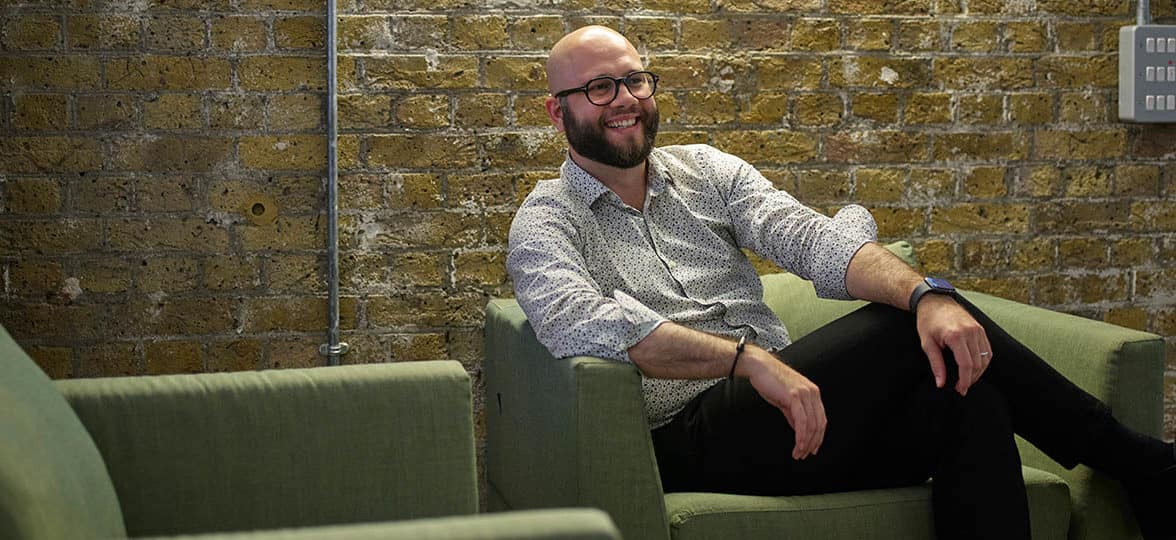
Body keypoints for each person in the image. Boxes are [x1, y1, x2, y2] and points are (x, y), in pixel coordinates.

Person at [506, 25, 1175, 540]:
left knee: (964, 395)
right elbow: (587, 325)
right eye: (599, 88)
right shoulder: (545, 222)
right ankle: (1141, 461)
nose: (624, 100)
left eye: (636, 81)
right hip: (690, 434)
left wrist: (927, 295)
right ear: (556, 112)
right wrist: (750, 361)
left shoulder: (707, 171)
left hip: (795, 424)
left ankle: (1140, 465)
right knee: (897, 330)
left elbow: (812, 238)